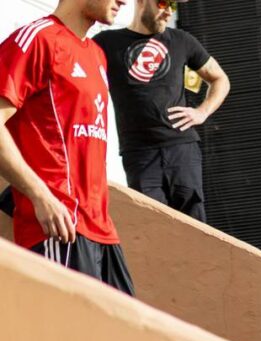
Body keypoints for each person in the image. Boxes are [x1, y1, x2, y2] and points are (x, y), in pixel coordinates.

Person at [0, 0, 135, 295]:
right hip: (60, 228)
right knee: (70, 338)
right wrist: (40, 195)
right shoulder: (37, 39)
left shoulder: (97, 55)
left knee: (125, 337)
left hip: (103, 230)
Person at [94, 0, 230, 223]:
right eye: (164, 3)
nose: (168, 12)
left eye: (174, 8)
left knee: (194, 223)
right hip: (139, 153)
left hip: (182, 148)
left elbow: (220, 79)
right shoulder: (105, 42)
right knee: (152, 224)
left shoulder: (182, 40)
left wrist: (202, 112)